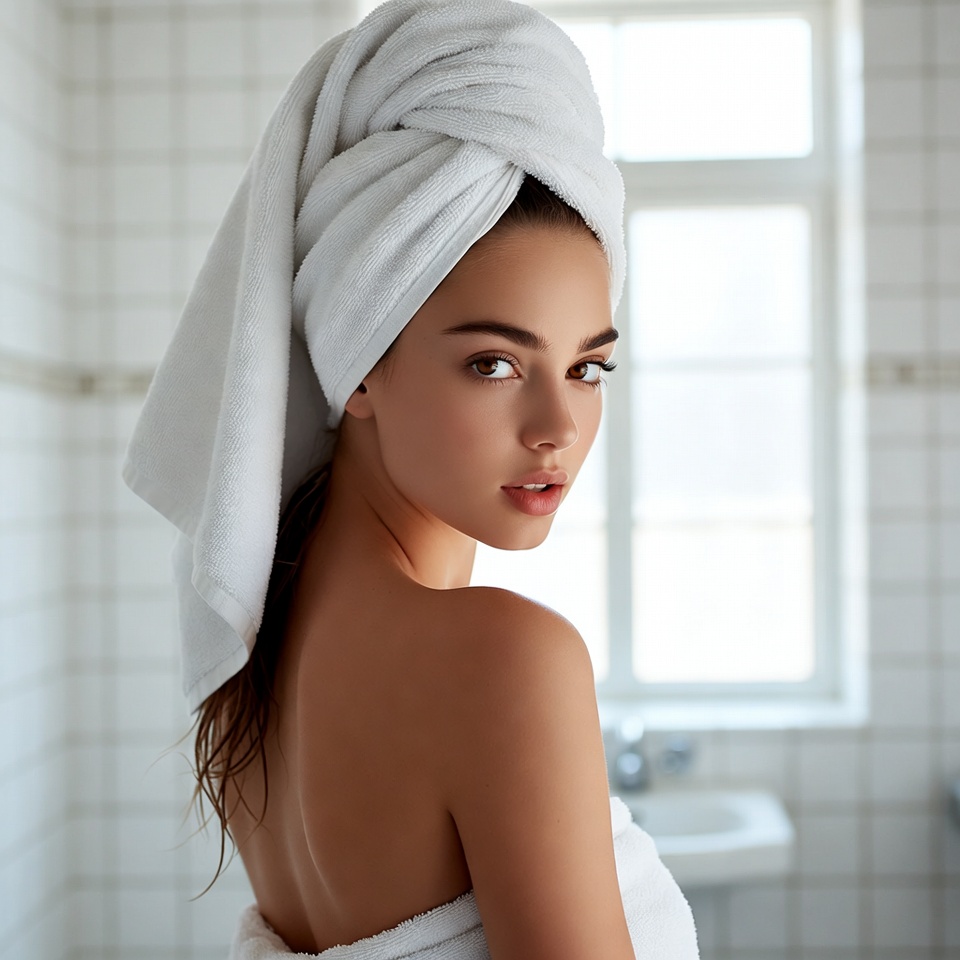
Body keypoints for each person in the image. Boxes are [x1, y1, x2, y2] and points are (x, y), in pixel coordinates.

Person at [123, 2, 699, 958]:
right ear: (360, 366)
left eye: (589, 367)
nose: (559, 427)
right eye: (494, 364)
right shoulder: (505, 661)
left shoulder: (249, 667)